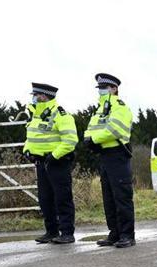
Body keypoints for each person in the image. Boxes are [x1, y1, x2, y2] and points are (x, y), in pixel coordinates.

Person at [83, 73, 135, 248]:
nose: (101, 91)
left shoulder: (120, 107)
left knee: (122, 196)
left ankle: (127, 235)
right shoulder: (99, 109)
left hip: (118, 155)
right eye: (99, 88)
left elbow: (115, 130)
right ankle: (115, 233)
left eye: (104, 88)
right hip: (104, 155)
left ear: (114, 89)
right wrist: (90, 141)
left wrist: (94, 140)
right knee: (108, 198)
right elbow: (89, 129)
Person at [23, 82, 78, 244]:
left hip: (57, 163)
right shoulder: (36, 115)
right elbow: (31, 137)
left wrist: (54, 156)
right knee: (45, 199)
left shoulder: (61, 115)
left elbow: (70, 140)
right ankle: (51, 231)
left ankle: (67, 232)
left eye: (36, 95)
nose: (33, 98)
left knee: (62, 198)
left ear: (44, 96)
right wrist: (27, 150)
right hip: (41, 163)